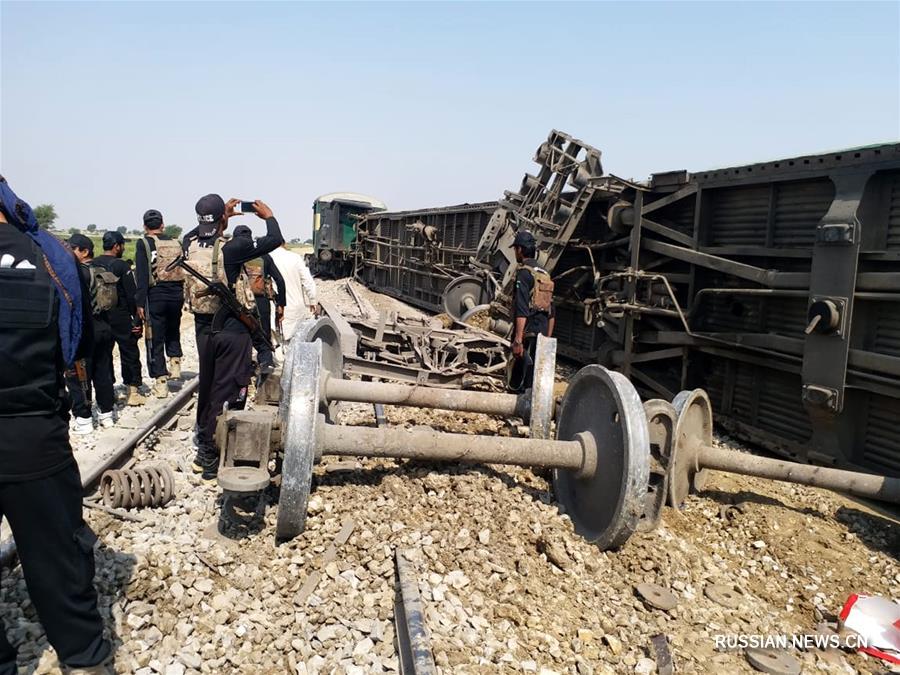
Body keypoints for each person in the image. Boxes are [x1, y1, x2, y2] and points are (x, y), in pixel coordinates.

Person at [0, 177, 112, 674]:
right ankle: (85, 660)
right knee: (56, 557)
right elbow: (75, 346)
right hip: (32, 431)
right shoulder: (52, 256)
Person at [183, 195, 284, 480]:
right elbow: (274, 239)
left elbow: (198, 232)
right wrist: (268, 216)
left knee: (209, 386)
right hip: (232, 330)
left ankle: (203, 444)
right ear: (221, 219)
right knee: (229, 389)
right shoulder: (233, 248)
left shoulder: (188, 244)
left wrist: (219, 218)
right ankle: (212, 454)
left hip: (203, 330)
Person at [66, 234, 117, 434]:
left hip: (83, 330)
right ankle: (107, 414)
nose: (69, 252)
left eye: (73, 248)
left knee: (78, 374)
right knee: (103, 371)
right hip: (104, 326)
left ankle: (84, 418)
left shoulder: (75, 273)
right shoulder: (102, 270)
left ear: (84, 251)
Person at [134, 210, 185, 399]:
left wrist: (139, 302)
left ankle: (161, 381)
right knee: (174, 327)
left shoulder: (144, 243)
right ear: (162, 225)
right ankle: (175, 362)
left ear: (145, 226)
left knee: (156, 338)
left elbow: (142, 275)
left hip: (156, 295)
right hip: (177, 294)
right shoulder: (175, 242)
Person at [92, 231, 145, 406]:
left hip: (99, 317)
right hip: (120, 316)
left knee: (103, 355)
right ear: (117, 246)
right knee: (129, 352)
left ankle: (109, 391)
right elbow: (132, 296)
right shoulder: (122, 266)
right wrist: (137, 321)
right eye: (122, 245)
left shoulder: (92, 264)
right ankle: (133, 391)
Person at [233, 225, 286, 372]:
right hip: (261, 301)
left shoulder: (232, 254)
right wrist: (281, 305)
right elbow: (280, 280)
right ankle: (266, 368)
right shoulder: (263, 256)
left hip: (239, 303)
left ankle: (243, 369)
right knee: (263, 337)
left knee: (241, 336)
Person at [509, 230, 555, 392]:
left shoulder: (524, 273)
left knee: (520, 375)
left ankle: (519, 408)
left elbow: (521, 309)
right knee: (534, 374)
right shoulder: (544, 274)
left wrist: (518, 340)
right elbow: (551, 311)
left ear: (520, 249)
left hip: (527, 333)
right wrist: (547, 339)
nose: (515, 252)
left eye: (515, 249)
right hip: (541, 332)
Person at [268, 241, 318, 341]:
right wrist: (313, 301)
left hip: (276, 309)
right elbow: (308, 282)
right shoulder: (295, 258)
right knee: (296, 342)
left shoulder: (267, 258)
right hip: (296, 308)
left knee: (277, 343)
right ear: (284, 244)